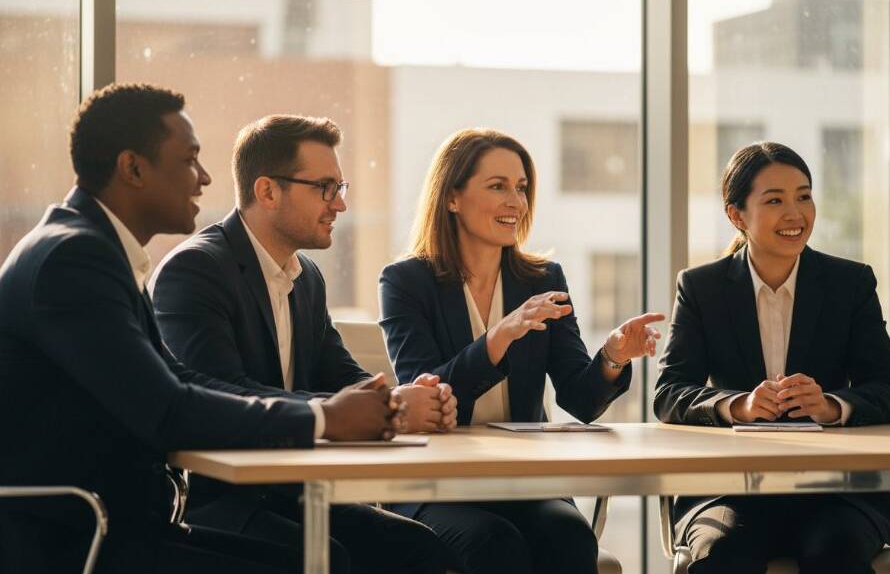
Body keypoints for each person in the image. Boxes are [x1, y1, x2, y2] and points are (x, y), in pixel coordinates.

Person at [0, 83, 402, 574]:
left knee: (365, 554)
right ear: (133, 168)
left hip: (119, 527)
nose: (205, 178)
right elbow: (166, 410)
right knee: (317, 564)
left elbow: (181, 381)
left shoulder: (94, 250)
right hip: (74, 542)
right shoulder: (74, 258)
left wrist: (333, 411)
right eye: (189, 159)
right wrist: (324, 419)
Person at [151, 114, 453, 574]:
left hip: (292, 490)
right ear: (268, 191)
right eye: (325, 188)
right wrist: (357, 411)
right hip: (215, 499)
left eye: (341, 188)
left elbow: (341, 373)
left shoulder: (304, 276)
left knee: (419, 549)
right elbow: (221, 392)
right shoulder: (194, 271)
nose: (340, 205)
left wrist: (400, 401)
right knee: (332, 559)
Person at [378, 127, 664, 574]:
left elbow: (580, 399)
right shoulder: (405, 282)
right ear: (452, 197)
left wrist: (612, 356)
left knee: (569, 536)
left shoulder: (542, 279)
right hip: (436, 483)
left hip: (525, 481)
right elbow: (428, 395)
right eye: (498, 187)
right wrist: (499, 336)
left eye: (522, 187)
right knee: (494, 543)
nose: (516, 201)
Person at [654, 141, 890, 574]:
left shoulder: (850, 284)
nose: (795, 214)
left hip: (836, 491)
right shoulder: (701, 288)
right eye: (775, 200)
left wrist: (833, 406)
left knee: (834, 554)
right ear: (736, 214)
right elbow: (669, 393)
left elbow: (885, 385)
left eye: (804, 196)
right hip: (729, 491)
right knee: (724, 555)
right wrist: (735, 405)